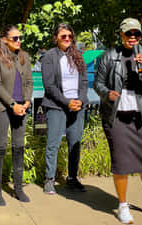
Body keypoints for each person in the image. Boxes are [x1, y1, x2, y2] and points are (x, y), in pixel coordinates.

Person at [94, 18, 142, 224]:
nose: (132, 37)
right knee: (121, 163)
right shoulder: (109, 55)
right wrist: (108, 94)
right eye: (128, 33)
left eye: (137, 34)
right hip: (117, 116)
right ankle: (123, 206)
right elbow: (98, 82)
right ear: (121, 34)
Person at [41, 23, 89, 194]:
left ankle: (72, 178)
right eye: (63, 36)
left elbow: (84, 82)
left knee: (75, 143)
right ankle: (49, 180)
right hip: (56, 106)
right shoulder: (49, 56)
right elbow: (49, 85)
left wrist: (80, 101)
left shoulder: (78, 56)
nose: (67, 38)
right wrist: (66, 101)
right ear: (56, 38)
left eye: (70, 36)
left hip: (77, 106)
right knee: (53, 144)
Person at [0, 25, 33, 206]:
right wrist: (12, 104)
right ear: (5, 39)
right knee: (0, 148)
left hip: (21, 107)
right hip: (1, 106)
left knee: (19, 147)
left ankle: (18, 189)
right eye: (15, 38)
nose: (19, 41)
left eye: (20, 38)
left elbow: (29, 81)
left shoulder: (24, 57)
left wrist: (27, 101)